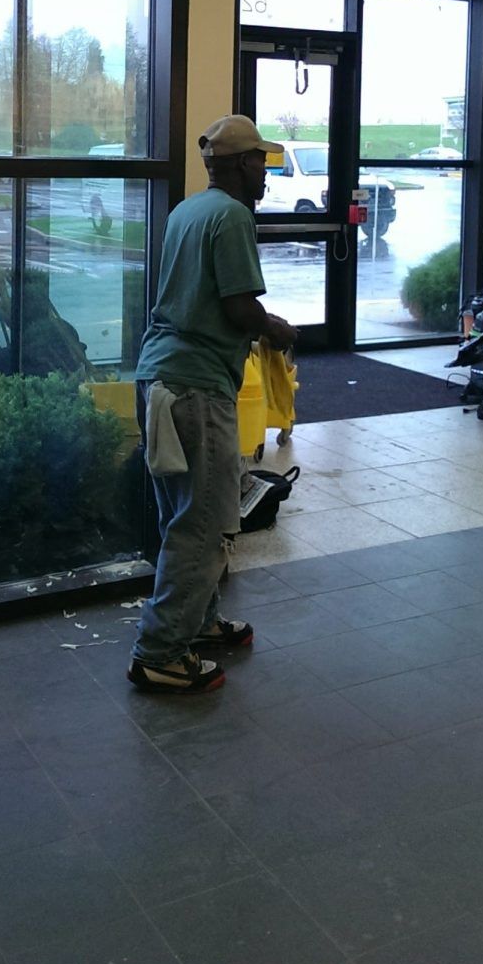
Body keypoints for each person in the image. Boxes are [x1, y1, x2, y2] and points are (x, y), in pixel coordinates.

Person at [127, 115, 297, 694]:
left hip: (160, 379)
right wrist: (278, 329)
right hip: (196, 387)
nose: (267, 173)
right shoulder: (231, 216)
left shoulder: (187, 210)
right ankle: (160, 652)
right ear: (243, 163)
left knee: (181, 513)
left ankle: (196, 623)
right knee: (201, 524)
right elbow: (238, 308)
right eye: (263, 162)